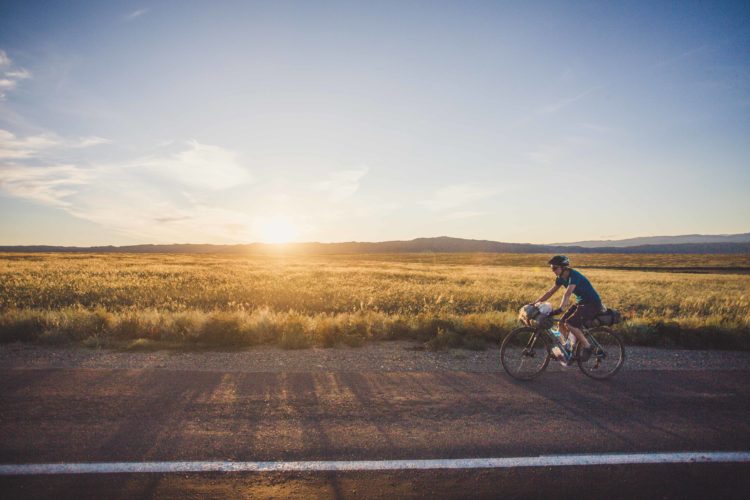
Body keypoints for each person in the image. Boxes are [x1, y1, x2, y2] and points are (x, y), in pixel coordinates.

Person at [532, 255, 604, 363]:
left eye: (554, 268)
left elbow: (568, 293)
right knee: (561, 323)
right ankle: (567, 348)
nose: (553, 270)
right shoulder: (560, 278)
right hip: (581, 302)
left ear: (563, 267)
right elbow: (550, 292)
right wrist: (535, 303)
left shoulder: (574, 275)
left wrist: (561, 308)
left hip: (592, 304)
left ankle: (588, 347)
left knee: (570, 324)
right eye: (552, 268)